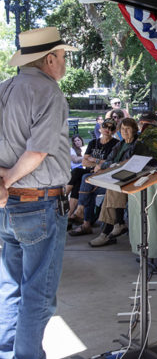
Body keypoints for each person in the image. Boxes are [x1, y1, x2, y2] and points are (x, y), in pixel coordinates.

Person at [0, 26, 78, 358]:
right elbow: (37, 152)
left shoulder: (4, 88)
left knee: (11, 287)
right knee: (38, 293)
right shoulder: (47, 92)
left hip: (6, 205)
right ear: (49, 58)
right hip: (38, 204)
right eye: (63, 56)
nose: (65, 63)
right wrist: (7, 180)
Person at [88, 118, 140, 247]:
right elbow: (108, 160)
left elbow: (128, 164)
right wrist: (108, 165)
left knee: (112, 189)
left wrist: (110, 165)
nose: (125, 131)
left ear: (134, 130)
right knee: (109, 191)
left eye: (128, 129)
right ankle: (116, 224)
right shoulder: (120, 144)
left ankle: (108, 231)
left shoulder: (137, 145)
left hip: (130, 179)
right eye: (122, 129)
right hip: (116, 176)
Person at [66, 119, 119, 223]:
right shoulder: (93, 142)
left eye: (110, 128)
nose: (107, 129)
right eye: (105, 126)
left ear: (114, 131)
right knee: (77, 173)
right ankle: (72, 214)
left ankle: (74, 211)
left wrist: (94, 159)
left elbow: (111, 163)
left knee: (82, 178)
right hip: (90, 172)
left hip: (103, 174)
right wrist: (99, 162)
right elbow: (84, 162)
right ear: (100, 128)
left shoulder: (116, 144)